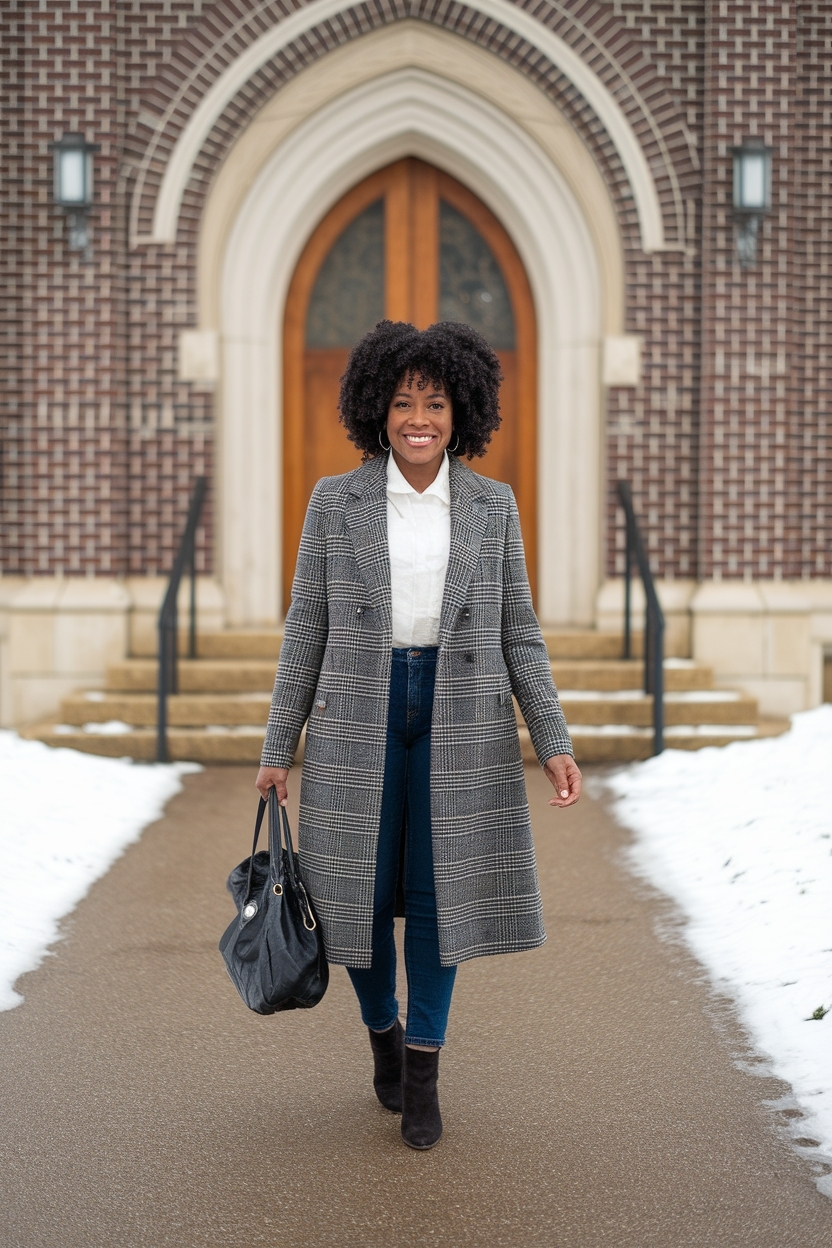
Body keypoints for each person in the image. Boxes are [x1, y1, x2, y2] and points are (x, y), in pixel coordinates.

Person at [256, 319, 581, 1150]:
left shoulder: (492, 506)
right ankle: (383, 1036)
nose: (418, 417)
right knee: (353, 898)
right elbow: (306, 628)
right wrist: (275, 747)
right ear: (377, 409)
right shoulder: (336, 500)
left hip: (461, 712)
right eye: (402, 402)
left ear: (460, 408)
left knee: (441, 896)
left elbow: (520, 631)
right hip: (356, 713)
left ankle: (425, 1070)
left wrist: (551, 737)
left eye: (434, 401)